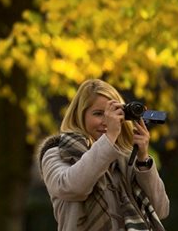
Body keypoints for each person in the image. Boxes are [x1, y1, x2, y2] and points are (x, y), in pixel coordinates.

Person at [38, 79, 169, 230]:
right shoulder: (56, 153)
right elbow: (72, 188)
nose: (106, 121)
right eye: (99, 114)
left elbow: (161, 210)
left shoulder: (125, 159)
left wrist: (143, 159)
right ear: (80, 115)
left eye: (112, 114)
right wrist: (109, 138)